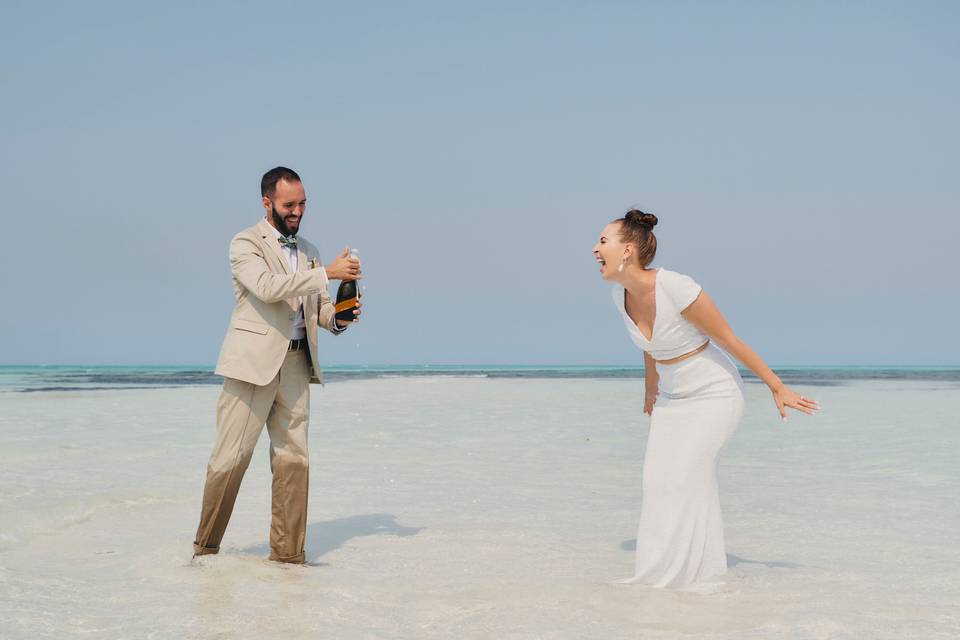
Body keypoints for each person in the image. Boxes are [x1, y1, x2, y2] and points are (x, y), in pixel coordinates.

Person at [592, 209, 818, 588]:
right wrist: (651, 385)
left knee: (685, 477)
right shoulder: (621, 297)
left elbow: (729, 338)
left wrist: (776, 386)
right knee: (657, 482)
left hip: (714, 391)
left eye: (602, 241)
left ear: (627, 249)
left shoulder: (675, 286)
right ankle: (668, 572)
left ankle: (693, 574)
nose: (595, 249)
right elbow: (649, 342)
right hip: (672, 396)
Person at [192, 166, 361, 564]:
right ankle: (205, 551)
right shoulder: (244, 243)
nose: (297, 211)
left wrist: (339, 316)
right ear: (267, 202)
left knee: (294, 462)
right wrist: (325, 273)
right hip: (251, 366)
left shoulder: (311, 251)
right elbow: (268, 287)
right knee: (230, 461)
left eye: (302, 203)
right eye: (289, 204)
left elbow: (317, 312)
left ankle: (288, 559)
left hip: (298, 365)